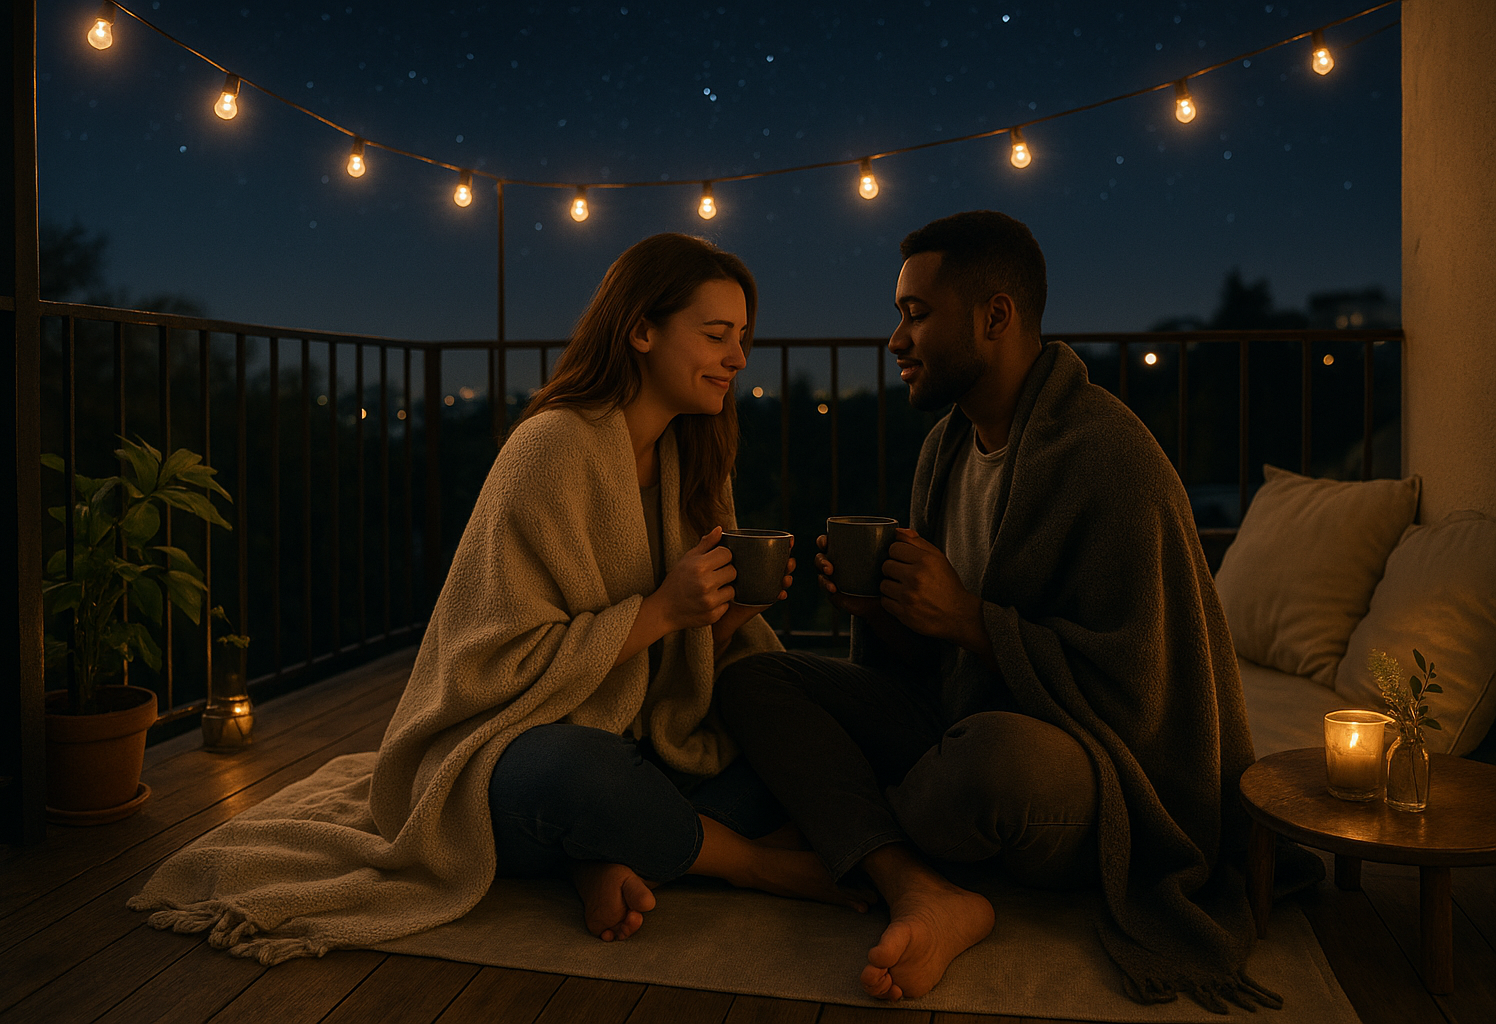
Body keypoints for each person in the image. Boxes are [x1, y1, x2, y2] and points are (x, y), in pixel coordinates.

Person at [131, 233, 854, 963]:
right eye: (717, 335)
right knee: (577, 775)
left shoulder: (691, 459)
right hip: (511, 750)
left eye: (744, 337)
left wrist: (724, 619)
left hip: (643, 741)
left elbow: (676, 676)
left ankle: (604, 855)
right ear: (641, 329)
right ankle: (749, 863)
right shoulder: (551, 448)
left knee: (785, 729)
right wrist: (665, 609)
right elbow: (495, 667)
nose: (738, 357)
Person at [718, 211, 1313, 1011]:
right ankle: (911, 876)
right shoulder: (947, 447)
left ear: (994, 316)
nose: (896, 340)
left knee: (988, 766)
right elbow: (935, 670)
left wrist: (967, 616)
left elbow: (1143, 699)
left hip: (1091, 768)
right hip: (954, 719)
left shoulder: (1109, 458)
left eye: (916, 314)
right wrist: (888, 612)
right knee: (757, 680)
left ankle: (833, 830)